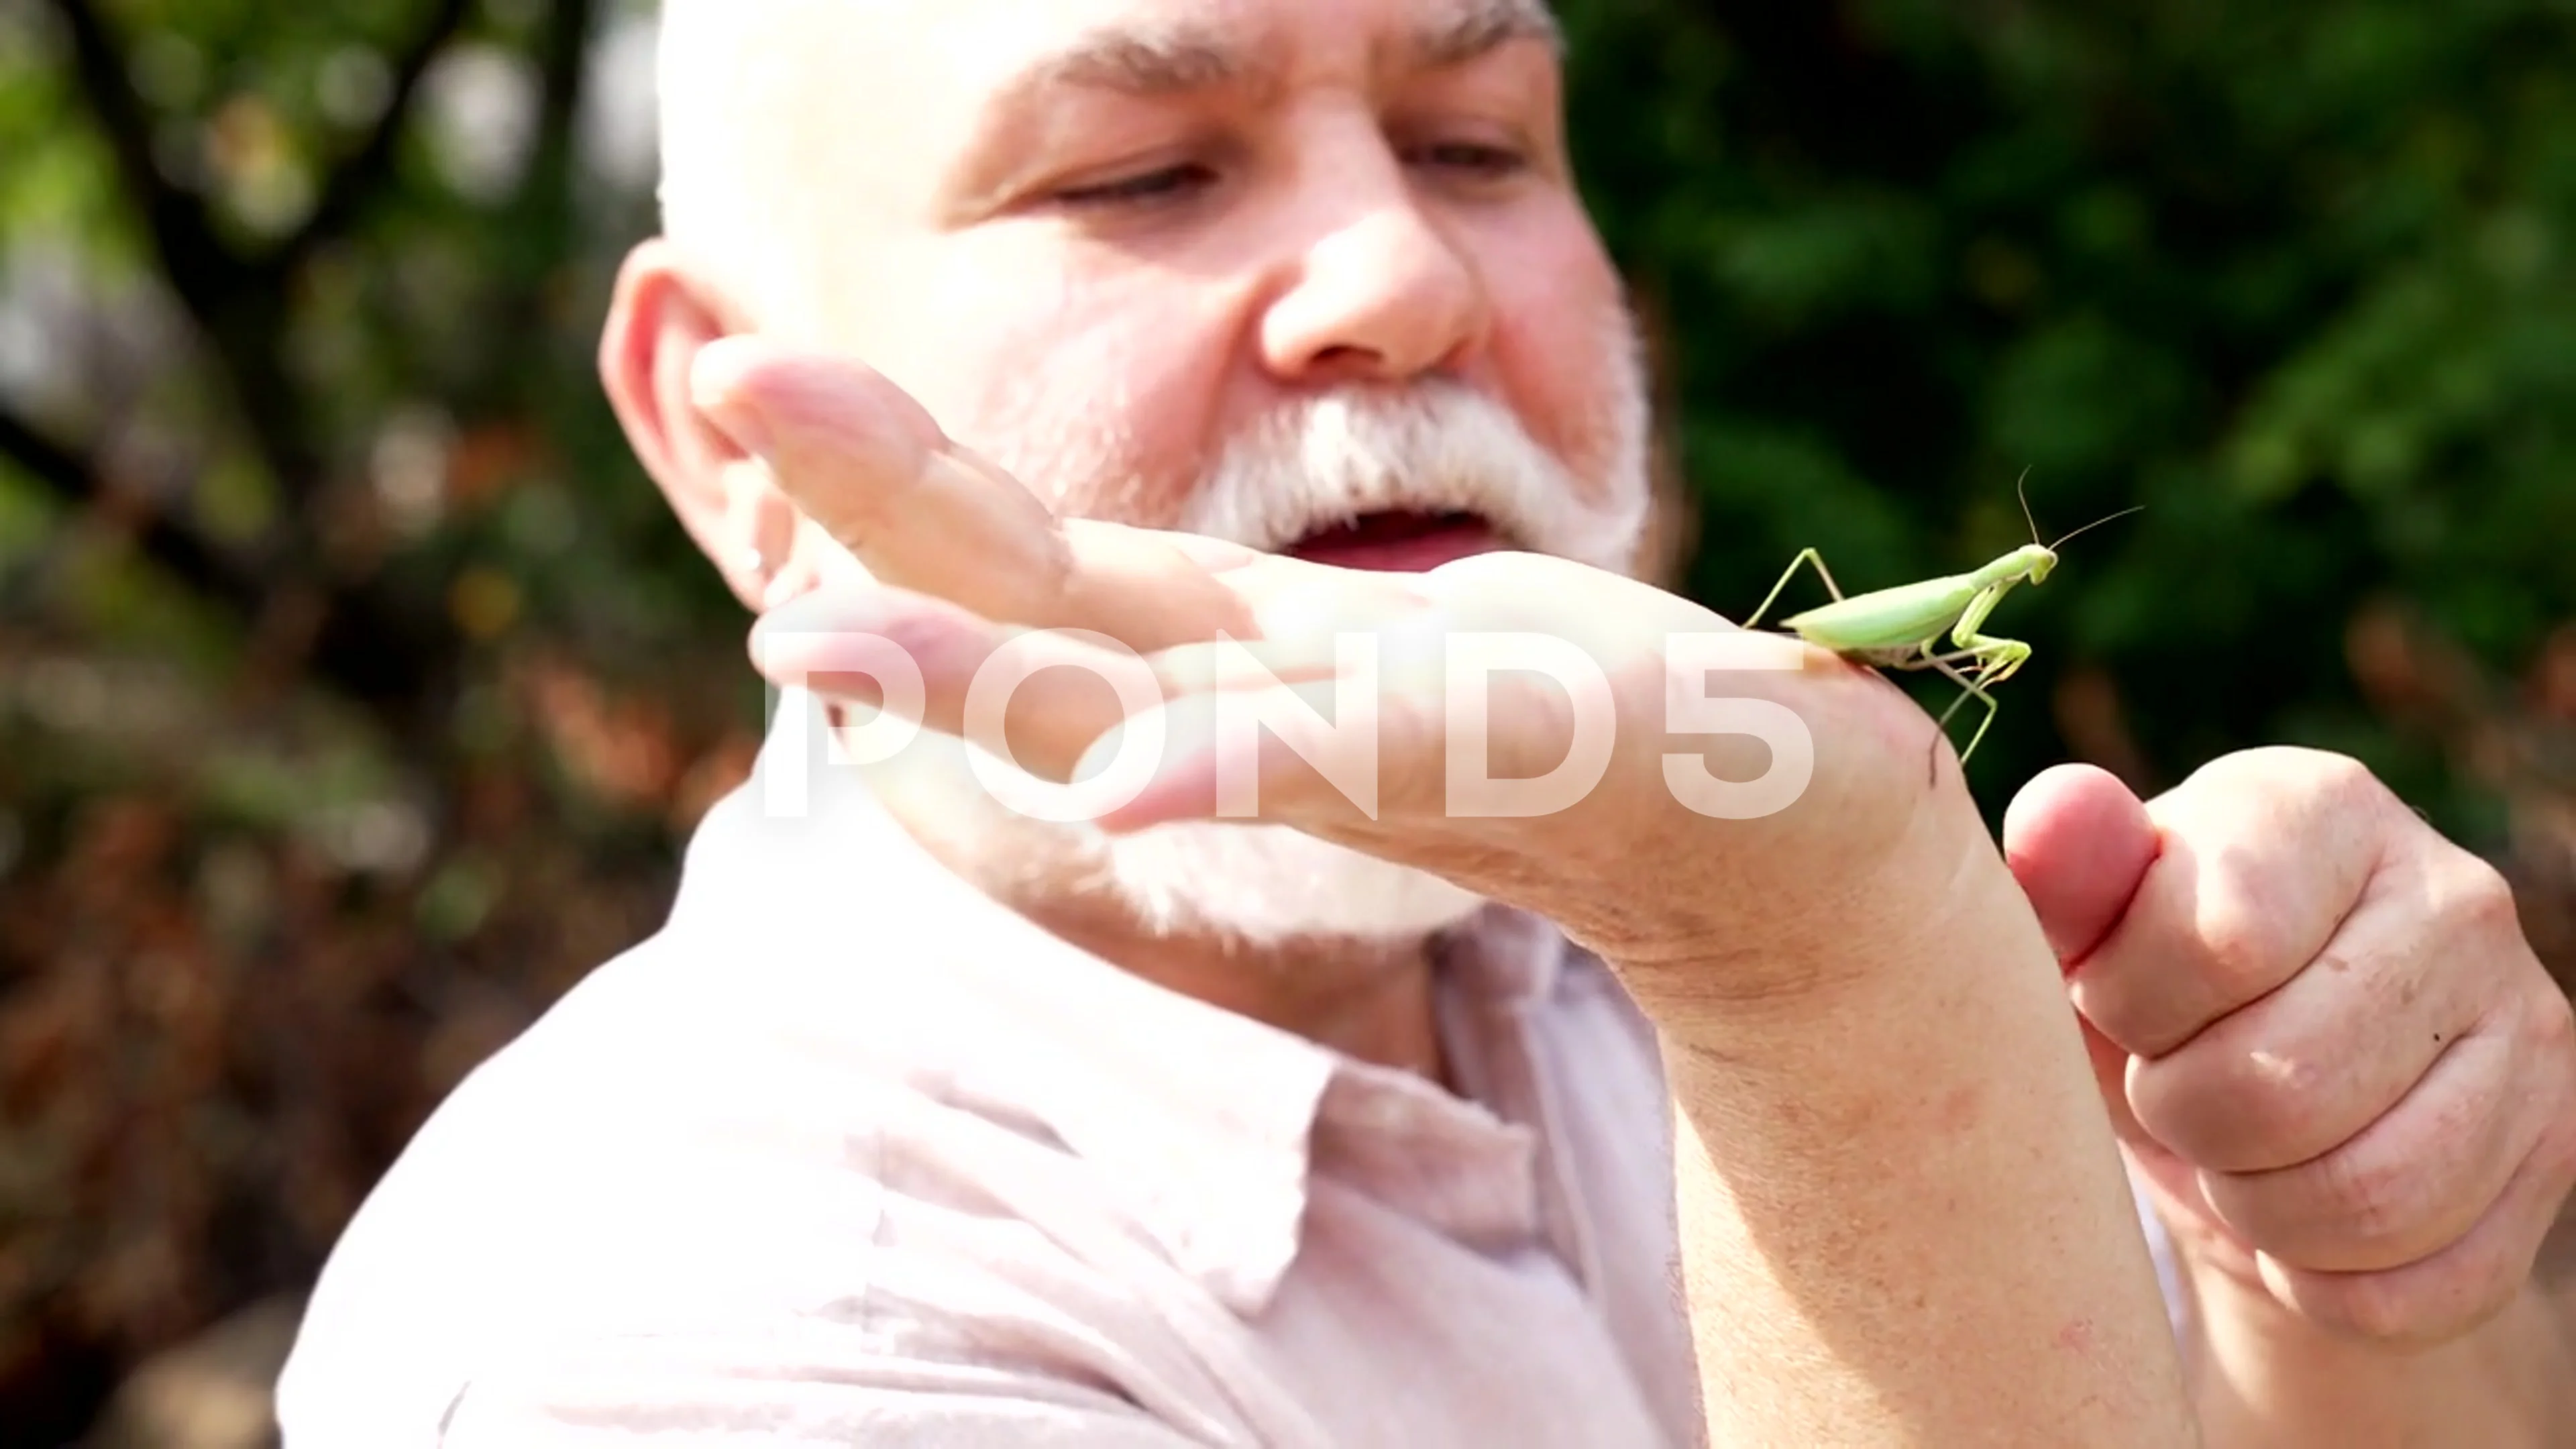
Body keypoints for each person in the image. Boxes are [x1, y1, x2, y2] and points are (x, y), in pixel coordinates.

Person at [273, 0, 2576, 1442]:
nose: (1406, 274)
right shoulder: (656, 1335)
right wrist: (1829, 972)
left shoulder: (1607, 950)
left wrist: (2349, 1263)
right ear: (725, 441)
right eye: (1143, 172)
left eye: (1483, 141)